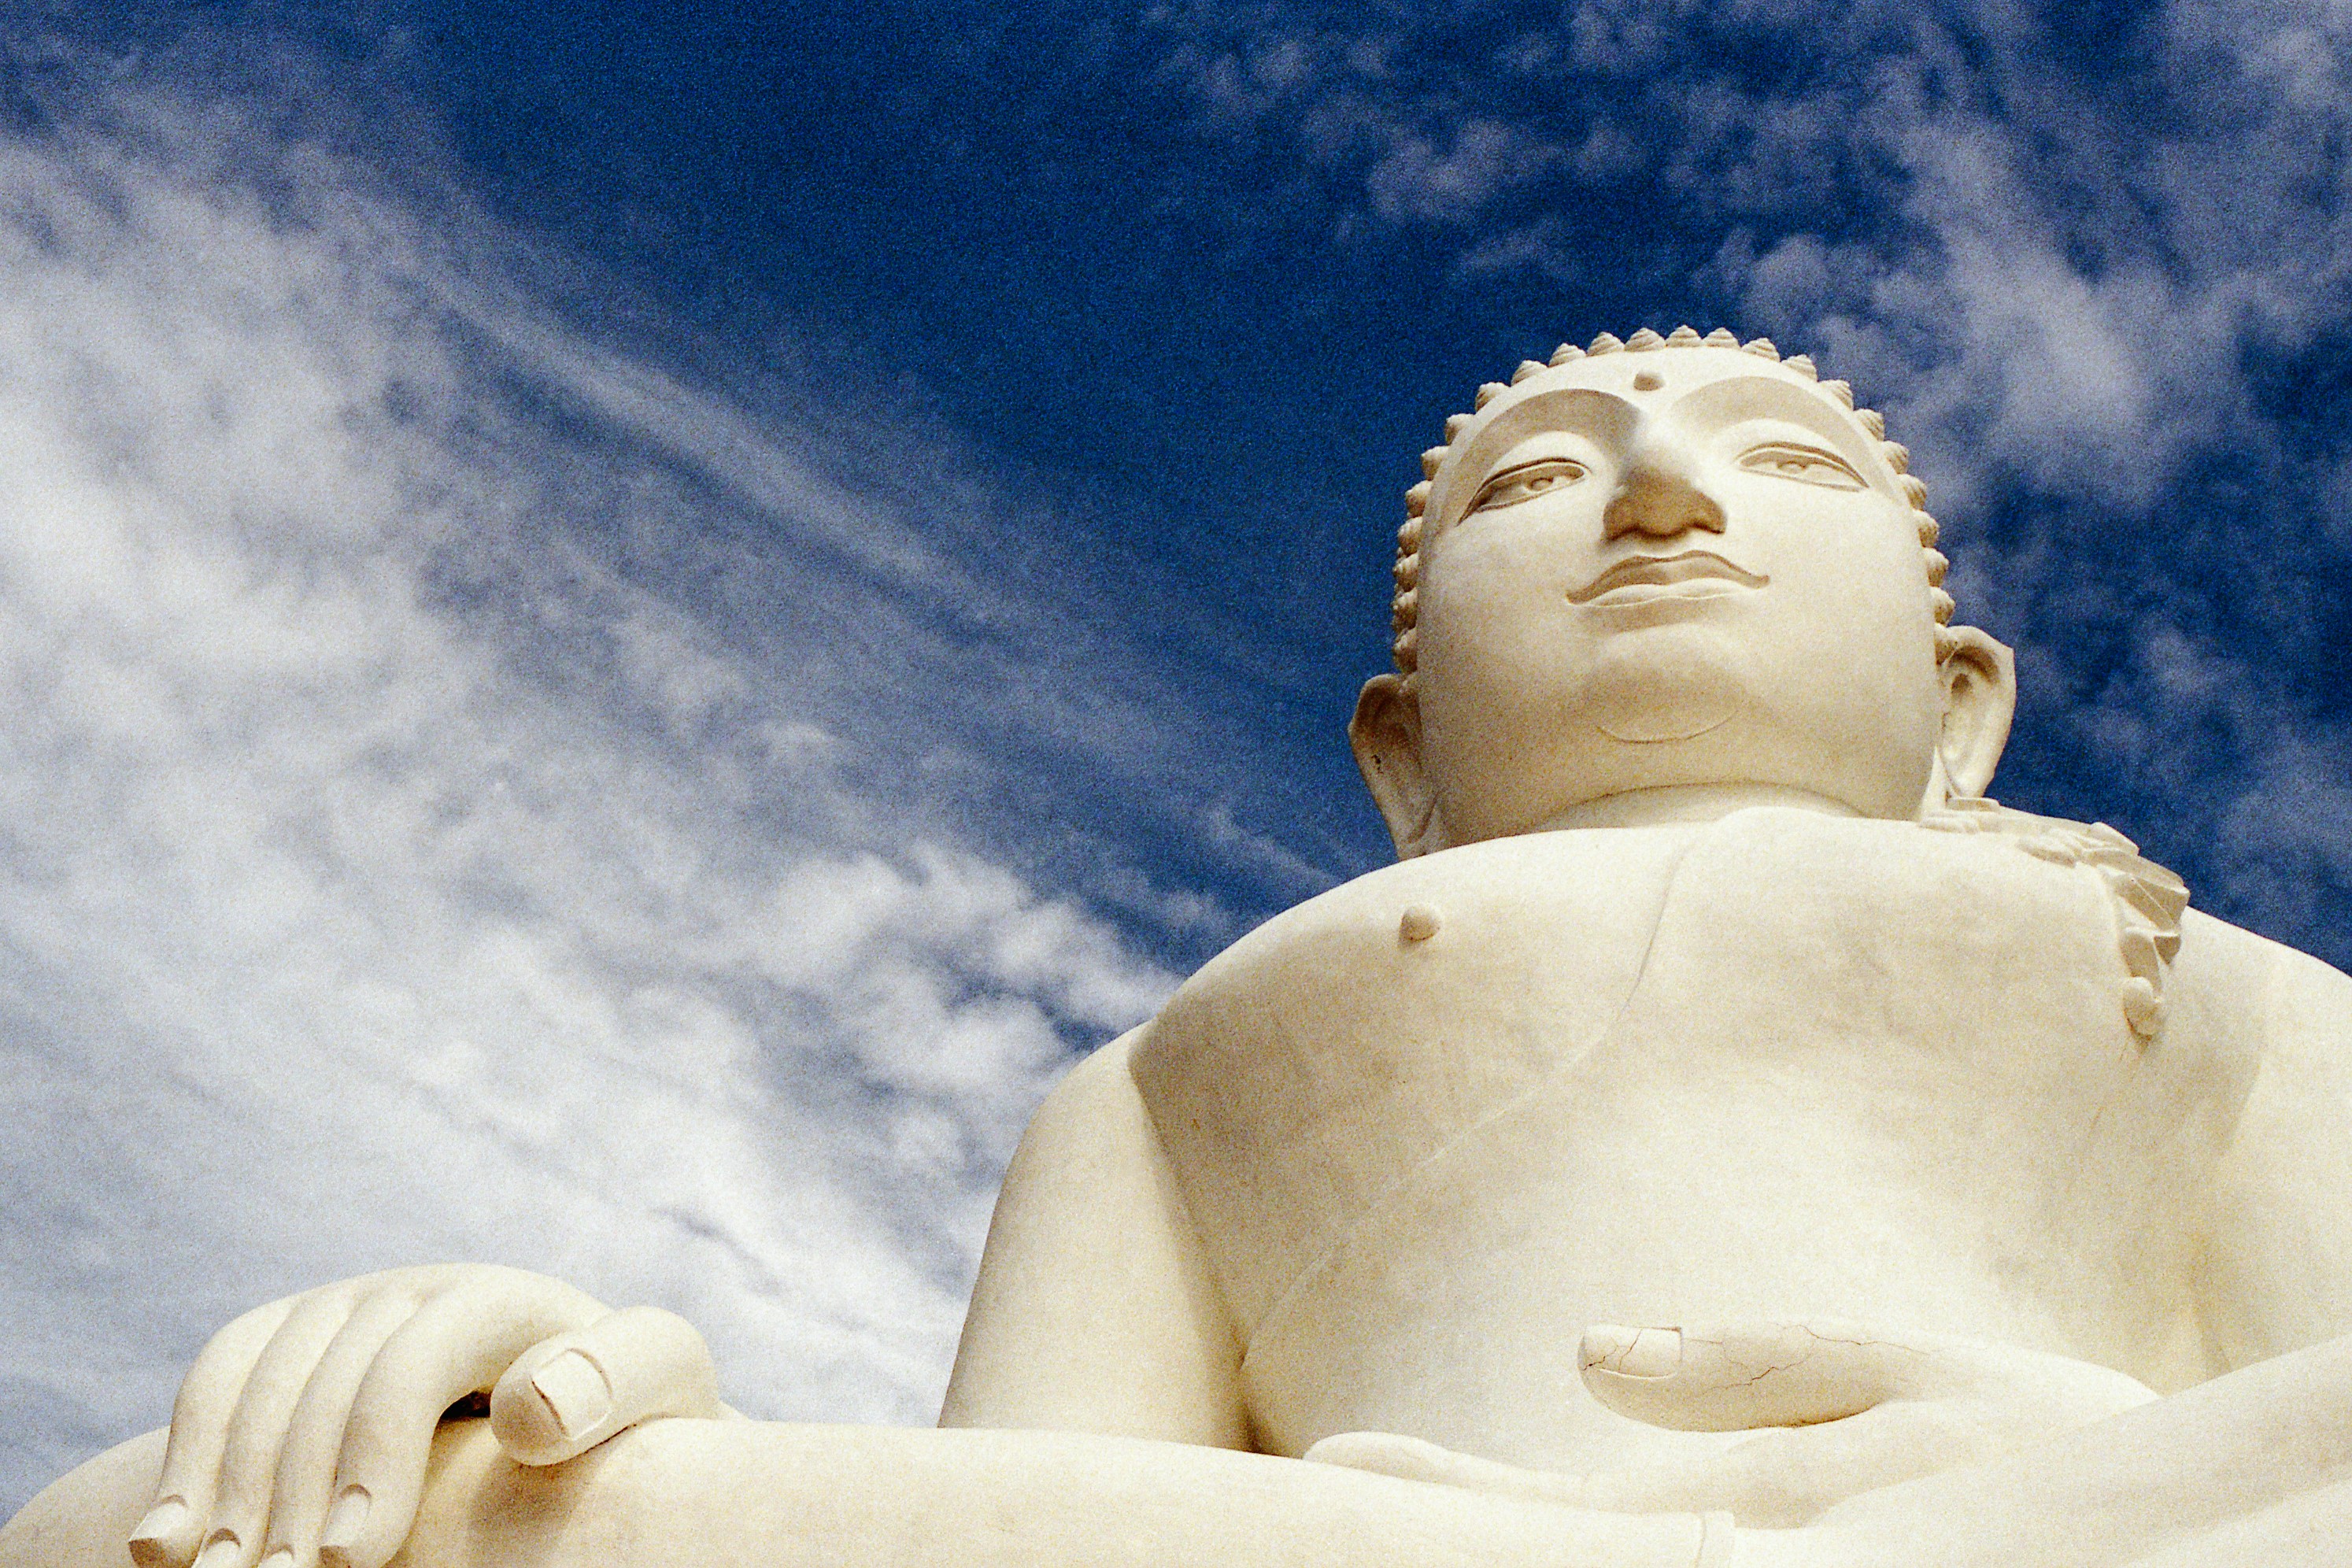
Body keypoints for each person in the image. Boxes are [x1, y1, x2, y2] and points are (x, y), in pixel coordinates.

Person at [13, 325, 2352, 1568]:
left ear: (1960, 713)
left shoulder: (2194, 975)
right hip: (1361, 1551)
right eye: (1540, 478)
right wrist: (594, 1418)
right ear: (1399, 758)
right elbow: (1035, 1516)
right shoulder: (1159, 1078)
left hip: (2067, 1524)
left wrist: (2091, 1478)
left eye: (1786, 465)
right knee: (143, 1529)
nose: (1657, 495)